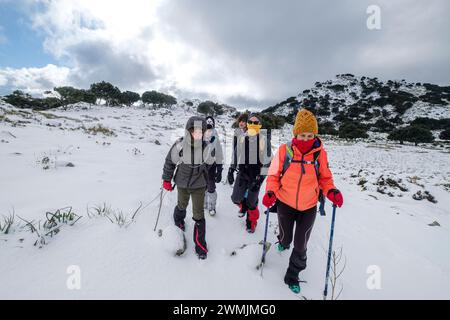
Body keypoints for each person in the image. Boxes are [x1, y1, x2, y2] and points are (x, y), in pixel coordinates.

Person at [263, 109, 344, 293]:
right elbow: (274, 175)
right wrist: (270, 192)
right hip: (285, 202)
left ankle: (292, 275)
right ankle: (282, 242)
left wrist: (331, 190)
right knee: (286, 237)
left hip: (308, 206)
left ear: (314, 134)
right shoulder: (285, 151)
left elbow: (325, 178)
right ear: (296, 134)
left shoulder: (319, 154)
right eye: (302, 135)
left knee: (301, 244)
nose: (306, 139)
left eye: (310, 135)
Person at [162, 116, 213, 260]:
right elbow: (169, 162)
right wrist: (166, 179)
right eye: (193, 130)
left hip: (199, 185)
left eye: (200, 130)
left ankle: (200, 244)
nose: (197, 133)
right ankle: (178, 222)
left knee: (198, 214)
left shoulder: (207, 147)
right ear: (188, 130)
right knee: (182, 205)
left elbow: (211, 165)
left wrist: (209, 178)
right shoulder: (179, 145)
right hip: (182, 184)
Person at [230, 114, 270, 233]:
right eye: (250, 122)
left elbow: (268, 162)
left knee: (252, 203)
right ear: (247, 124)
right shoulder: (242, 137)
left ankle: (251, 222)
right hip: (242, 173)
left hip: (255, 176)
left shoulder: (264, 140)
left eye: (256, 123)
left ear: (260, 125)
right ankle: (243, 206)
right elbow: (236, 154)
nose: (253, 124)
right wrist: (231, 169)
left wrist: (260, 179)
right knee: (235, 198)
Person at [203, 116, 224, 216]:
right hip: (201, 167)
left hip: (212, 167)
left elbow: (219, 153)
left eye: (211, 122)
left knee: (211, 187)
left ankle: (212, 207)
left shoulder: (216, 138)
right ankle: (203, 204)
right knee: (202, 186)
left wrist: (219, 170)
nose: (209, 124)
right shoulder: (200, 135)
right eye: (207, 122)